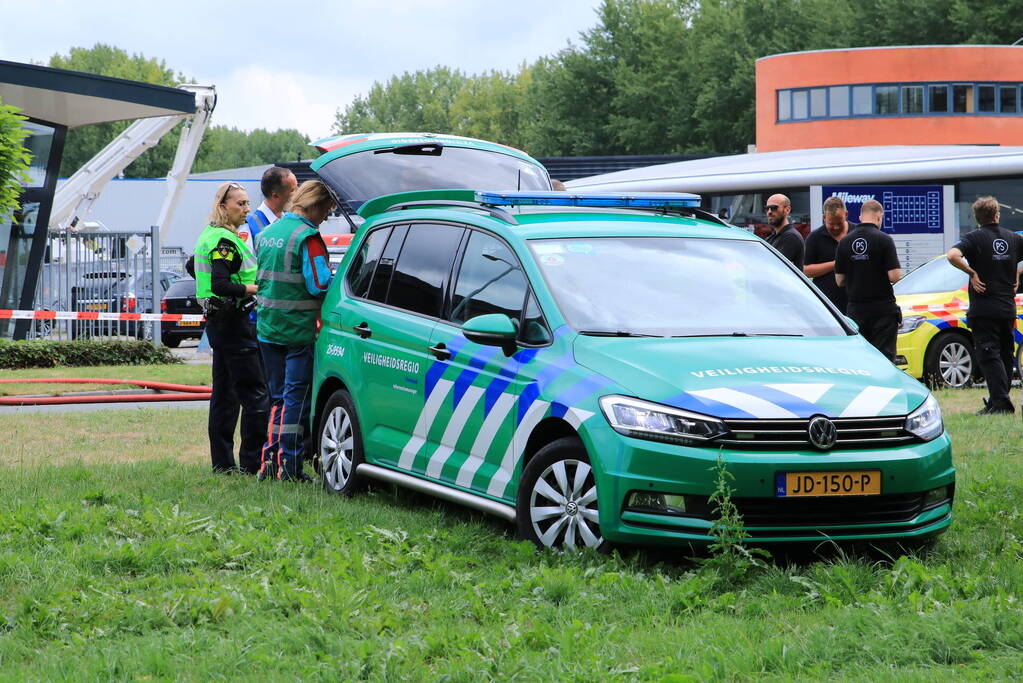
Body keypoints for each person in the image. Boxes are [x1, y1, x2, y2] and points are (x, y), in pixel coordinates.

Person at [255, 180, 336, 481]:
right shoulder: (308, 238)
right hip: (297, 331)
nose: (325, 218)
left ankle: (270, 463)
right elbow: (319, 283)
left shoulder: (267, 233)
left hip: (268, 327)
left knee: (277, 400)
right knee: (294, 401)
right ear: (314, 205)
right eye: (326, 211)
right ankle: (289, 466)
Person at [192, 182, 270, 474]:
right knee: (256, 394)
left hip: (219, 323)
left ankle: (223, 464)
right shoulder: (225, 241)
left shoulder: (210, 236)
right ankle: (253, 464)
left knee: (225, 395)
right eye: (240, 204)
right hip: (235, 323)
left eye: (248, 203)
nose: (247, 209)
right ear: (223, 207)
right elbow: (220, 284)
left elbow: (192, 266)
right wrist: (253, 287)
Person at [947, 196, 1023, 415]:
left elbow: (952, 255)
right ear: (997, 214)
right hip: (1007, 308)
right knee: (1006, 355)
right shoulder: (1013, 238)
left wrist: (971, 272)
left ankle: (1001, 404)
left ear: (977, 218)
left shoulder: (973, 238)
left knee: (989, 355)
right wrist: (1017, 271)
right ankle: (998, 400)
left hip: (984, 309)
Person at [835, 199, 902, 360]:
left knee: (861, 358)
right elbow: (894, 276)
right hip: (883, 311)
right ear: (879, 217)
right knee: (884, 358)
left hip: (856, 311)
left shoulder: (844, 242)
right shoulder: (884, 240)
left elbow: (839, 280)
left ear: (860, 217)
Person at [803, 196, 850, 313]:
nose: (835, 227)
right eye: (831, 223)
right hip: (826, 306)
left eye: (839, 222)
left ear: (846, 215)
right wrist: (835, 264)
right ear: (824, 218)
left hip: (854, 304)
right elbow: (806, 270)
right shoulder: (815, 238)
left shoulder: (856, 234)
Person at [237, 166, 298, 253]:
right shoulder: (248, 226)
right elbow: (249, 263)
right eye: (293, 190)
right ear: (275, 195)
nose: (298, 193)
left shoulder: (291, 220)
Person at [764, 193, 804, 268]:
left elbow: (774, 267)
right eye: (767, 208)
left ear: (787, 210)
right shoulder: (770, 238)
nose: (769, 212)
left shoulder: (791, 237)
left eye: (774, 208)